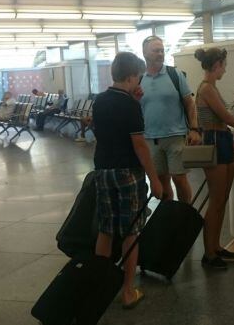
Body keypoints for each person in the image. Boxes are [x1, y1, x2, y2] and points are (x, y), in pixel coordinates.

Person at [92, 52, 163, 309]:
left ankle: (98, 285)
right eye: (138, 77)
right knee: (132, 231)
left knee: (105, 228)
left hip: (102, 170)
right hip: (127, 173)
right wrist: (155, 179)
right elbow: (140, 146)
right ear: (132, 76)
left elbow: (102, 131)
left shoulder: (99, 100)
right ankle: (128, 290)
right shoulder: (130, 105)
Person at [193, 48, 234, 270]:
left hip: (222, 140)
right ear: (216, 65)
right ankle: (208, 254)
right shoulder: (206, 88)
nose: (225, 68)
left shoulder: (212, 87)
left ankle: (216, 245)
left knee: (222, 199)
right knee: (215, 200)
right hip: (213, 141)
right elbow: (226, 115)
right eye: (224, 64)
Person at [138, 36, 201, 203]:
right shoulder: (138, 79)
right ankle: (168, 215)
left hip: (176, 137)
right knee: (160, 182)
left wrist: (194, 129)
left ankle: (185, 213)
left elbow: (190, 104)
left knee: (179, 179)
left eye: (162, 50)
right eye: (155, 50)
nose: (160, 54)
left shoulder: (175, 74)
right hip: (150, 139)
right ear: (144, 53)